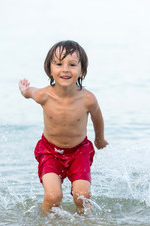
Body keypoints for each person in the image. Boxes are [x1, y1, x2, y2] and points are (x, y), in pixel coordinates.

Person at [18, 40, 108, 213]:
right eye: (59, 64)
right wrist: (24, 90)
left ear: (82, 71)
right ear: (50, 70)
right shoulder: (44, 95)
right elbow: (30, 92)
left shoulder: (88, 99)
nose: (65, 69)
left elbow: (98, 118)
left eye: (72, 64)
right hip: (50, 151)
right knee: (53, 196)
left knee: (82, 196)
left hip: (79, 152)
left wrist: (99, 139)